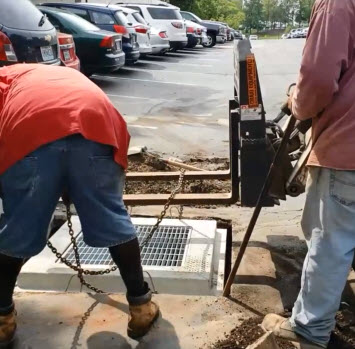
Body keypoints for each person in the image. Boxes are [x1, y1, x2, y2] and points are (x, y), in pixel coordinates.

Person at [0, 64, 159, 346]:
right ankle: (141, 306)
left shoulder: (6, 79)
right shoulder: (64, 75)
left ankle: (2, 320)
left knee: (16, 230)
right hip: (95, 127)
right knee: (113, 220)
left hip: (30, 135)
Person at [262, 0, 355, 348]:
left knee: (330, 242)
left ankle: (310, 329)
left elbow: (317, 80)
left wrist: (296, 100)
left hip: (348, 149)